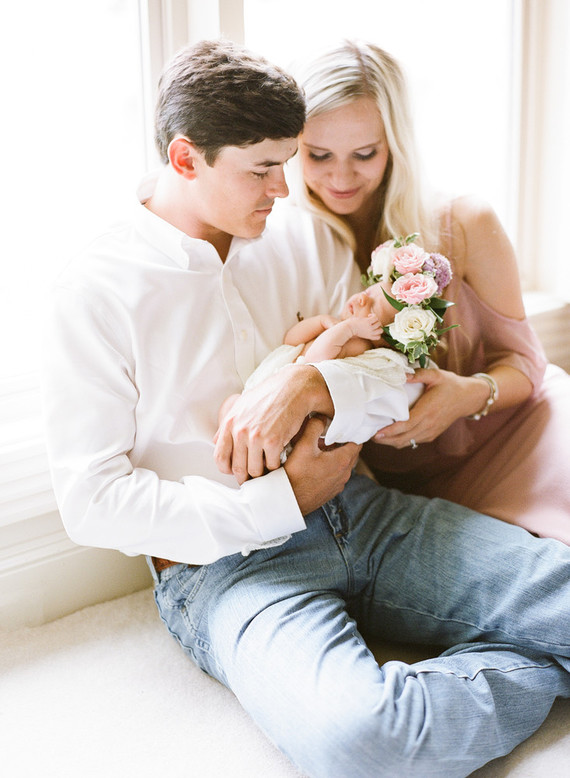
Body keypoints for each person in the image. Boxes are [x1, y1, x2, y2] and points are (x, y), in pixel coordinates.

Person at [42, 39, 570, 778]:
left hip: (368, 509)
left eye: (287, 163)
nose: (287, 189)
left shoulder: (303, 236)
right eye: (263, 169)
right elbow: (92, 503)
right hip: (226, 567)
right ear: (187, 159)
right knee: (362, 741)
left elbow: (393, 369)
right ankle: (544, 667)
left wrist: (314, 385)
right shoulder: (97, 292)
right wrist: (279, 502)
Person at [291, 39, 570, 544]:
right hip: (407, 487)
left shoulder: (462, 222)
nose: (340, 176)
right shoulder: (287, 247)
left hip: (524, 437)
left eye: (364, 153)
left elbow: (526, 364)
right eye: (318, 154)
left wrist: (464, 396)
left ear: (395, 144)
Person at [218, 280, 424, 449]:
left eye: (374, 307)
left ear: (383, 340)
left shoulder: (358, 346)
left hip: (284, 406)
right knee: (232, 405)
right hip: (266, 389)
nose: (363, 298)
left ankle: (237, 445)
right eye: (369, 291)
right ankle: (228, 440)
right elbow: (291, 340)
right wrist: (320, 322)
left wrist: (350, 328)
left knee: (237, 411)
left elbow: (316, 359)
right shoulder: (341, 331)